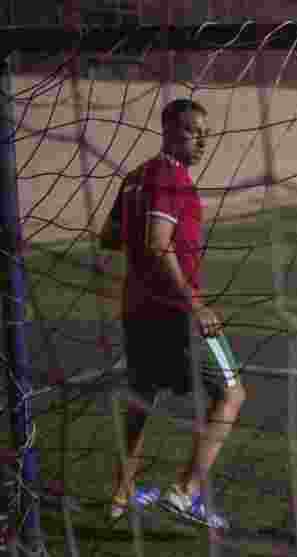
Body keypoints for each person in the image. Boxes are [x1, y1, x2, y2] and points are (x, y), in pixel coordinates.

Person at [98, 98, 245, 529]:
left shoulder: (134, 178)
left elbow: (108, 236)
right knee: (232, 393)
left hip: (136, 309)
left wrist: (142, 239)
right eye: (190, 130)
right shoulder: (170, 176)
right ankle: (184, 494)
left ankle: (121, 495)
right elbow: (159, 241)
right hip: (174, 313)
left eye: (205, 133)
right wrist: (194, 302)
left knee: (142, 400)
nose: (200, 140)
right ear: (166, 129)